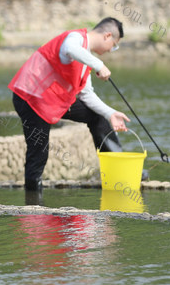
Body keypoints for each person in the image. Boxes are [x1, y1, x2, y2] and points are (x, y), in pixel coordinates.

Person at [9, 17, 131, 193]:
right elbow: (69, 49)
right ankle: (33, 209)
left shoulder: (86, 60)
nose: (112, 50)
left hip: (53, 100)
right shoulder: (76, 38)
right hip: (30, 98)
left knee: (97, 116)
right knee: (39, 153)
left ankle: (119, 172)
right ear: (107, 36)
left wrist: (110, 113)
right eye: (114, 45)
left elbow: (87, 95)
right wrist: (99, 65)